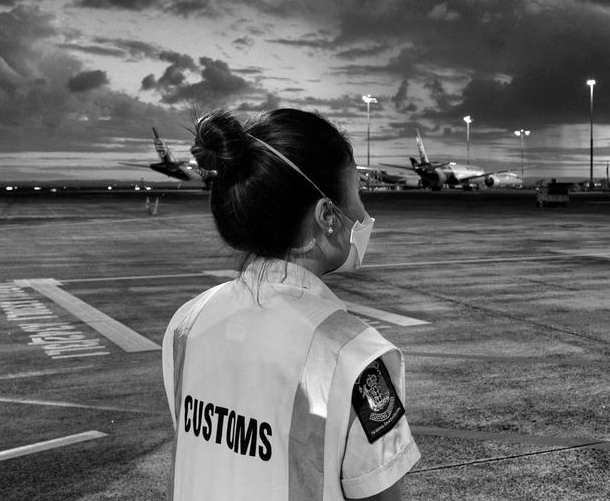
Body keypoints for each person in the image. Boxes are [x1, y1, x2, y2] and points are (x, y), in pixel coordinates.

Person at [162, 107, 419, 501]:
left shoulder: (186, 324)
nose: (363, 213)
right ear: (326, 216)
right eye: (356, 193)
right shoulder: (355, 357)